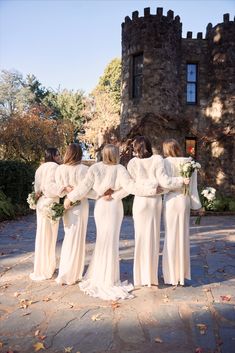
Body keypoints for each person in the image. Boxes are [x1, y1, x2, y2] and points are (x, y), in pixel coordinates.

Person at [64, 144, 158, 301]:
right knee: (110, 241)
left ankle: (102, 276)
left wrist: (72, 198)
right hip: (114, 207)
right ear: (116, 154)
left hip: (102, 206)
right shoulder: (120, 169)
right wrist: (117, 195)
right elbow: (130, 187)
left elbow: (83, 188)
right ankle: (109, 278)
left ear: (103, 154)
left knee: (103, 240)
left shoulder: (95, 168)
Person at [127, 136, 186, 287]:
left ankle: (140, 278)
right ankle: (151, 278)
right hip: (154, 202)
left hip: (140, 202)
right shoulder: (157, 159)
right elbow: (164, 182)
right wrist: (180, 181)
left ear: (136, 148)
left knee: (140, 238)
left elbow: (132, 186)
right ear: (149, 146)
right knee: (153, 239)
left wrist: (147, 187)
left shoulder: (132, 163)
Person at [55, 143, 97, 285]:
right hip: (80, 205)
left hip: (67, 204)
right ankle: (72, 274)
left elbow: (58, 188)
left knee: (69, 235)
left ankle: (66, 272)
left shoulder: (60, 169)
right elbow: (88, 190)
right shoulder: (85, 169)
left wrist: (67, 190)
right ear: (79, 154)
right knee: (77, 238)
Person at [162, 139, 202, 286]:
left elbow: (163, 183)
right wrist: (197, 206)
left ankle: (170, 276)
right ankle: (181, 275)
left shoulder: (164, 163)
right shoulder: (189, 162)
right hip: (184, 201)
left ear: (167, 149)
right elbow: (193, 187)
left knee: (170, 236)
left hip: (171, 200)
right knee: (183, 236)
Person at [30, 147, 62, 281]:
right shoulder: (54, 167)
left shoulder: (40, 168)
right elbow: (50, 187)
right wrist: (63, 190)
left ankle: (41, 266)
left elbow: (37, 189)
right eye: (58, 154)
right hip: (50, 203)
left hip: (41, 203)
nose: (60, 156)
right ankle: (47, 268)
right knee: (49, 236)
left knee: (42, 234)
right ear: (53, 156)